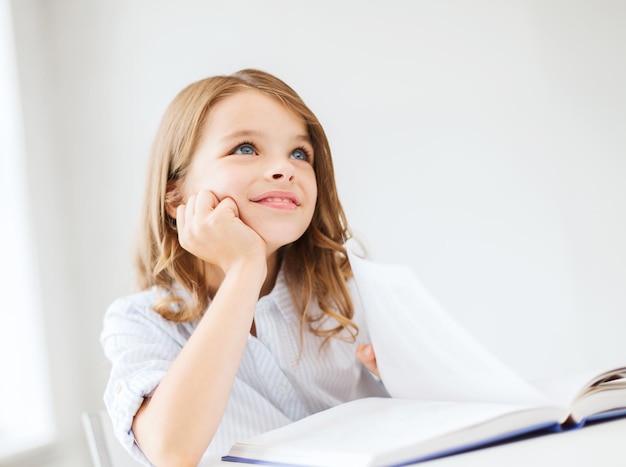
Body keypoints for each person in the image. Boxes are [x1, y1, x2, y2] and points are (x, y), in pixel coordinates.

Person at [101, 69, 387, 467]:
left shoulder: (350, 293)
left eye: (299, 154)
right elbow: (171, 450)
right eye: (246, 149)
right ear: (174, 194)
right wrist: (243, 269)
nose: (283, 169)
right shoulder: (139, 322)